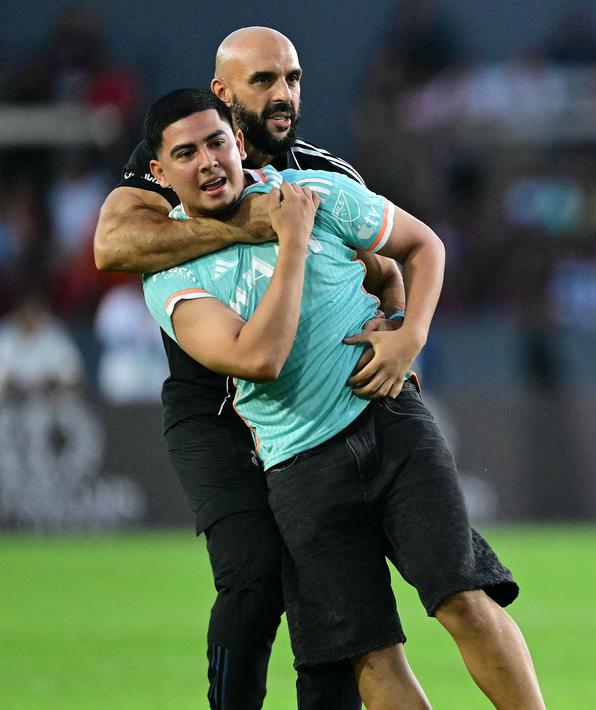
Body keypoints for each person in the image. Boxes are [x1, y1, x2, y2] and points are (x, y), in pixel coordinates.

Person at [140, 88, 545, 710]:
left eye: (217, 141)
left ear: (238, 141)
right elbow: (258, 359)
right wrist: (293, 242)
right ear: (159, 174)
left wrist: (409, 330)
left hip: (390, 424)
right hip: (299, 466)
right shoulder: (169, 272)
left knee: (462, 598)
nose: (208, 161)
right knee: (371, 651)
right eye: (186, 153)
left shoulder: (314, 191)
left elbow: (423, 245)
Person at [93, 27, 402, 709]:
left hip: (303, 408)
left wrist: (396, 329)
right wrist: (247, 223)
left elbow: (387, 270)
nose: (282, 94)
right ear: (223, 94)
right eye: (263, 81)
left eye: (291, 78)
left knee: (327, 589)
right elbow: (112, 243)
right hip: (216, 409)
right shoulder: (170, 156)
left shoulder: (326, 174)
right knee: (253, 576)